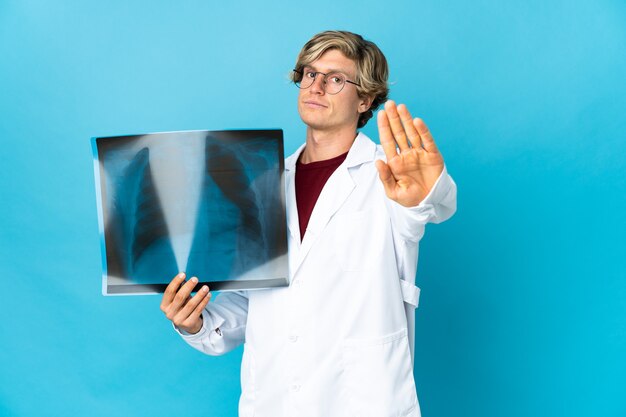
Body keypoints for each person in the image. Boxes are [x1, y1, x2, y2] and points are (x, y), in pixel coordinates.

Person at [160, 30, 457, 417]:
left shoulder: (389, 177)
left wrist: (428, 191)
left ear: (364, 99)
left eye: (335, 79)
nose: (315, 86)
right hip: (272, 401)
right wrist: (196, 322)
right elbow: (252, 299)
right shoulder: (262, 183)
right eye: (309, 73)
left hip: (362, 401)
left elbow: (431, 206)